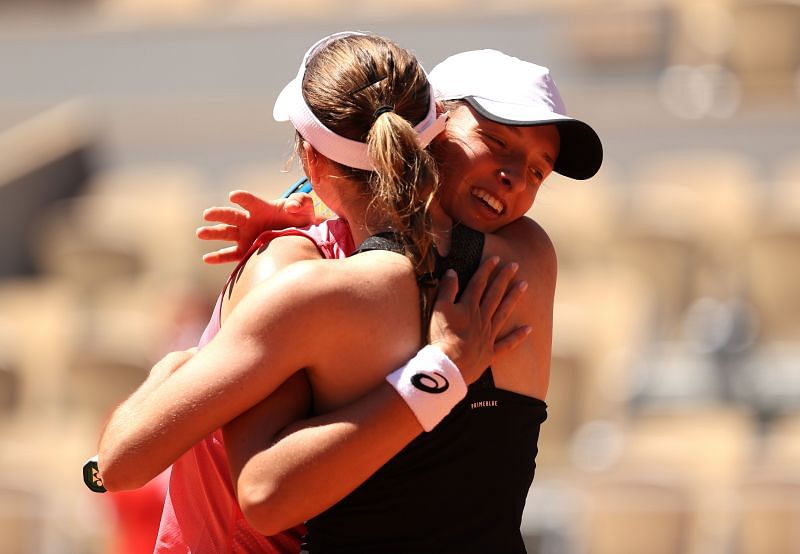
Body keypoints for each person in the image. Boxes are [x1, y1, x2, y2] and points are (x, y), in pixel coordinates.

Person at [96, 32, 530, 553]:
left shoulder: (289, 273)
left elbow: (118, 465)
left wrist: (177, 367)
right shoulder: (507, 255)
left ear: (311, 159)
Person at [194, 48, 602, 552]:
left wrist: (314, 207)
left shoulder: (519, 256)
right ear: (428, 128)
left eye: (539, 173)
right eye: (496, 142)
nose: (516, 177)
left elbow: (263, 494)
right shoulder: (324, 264)